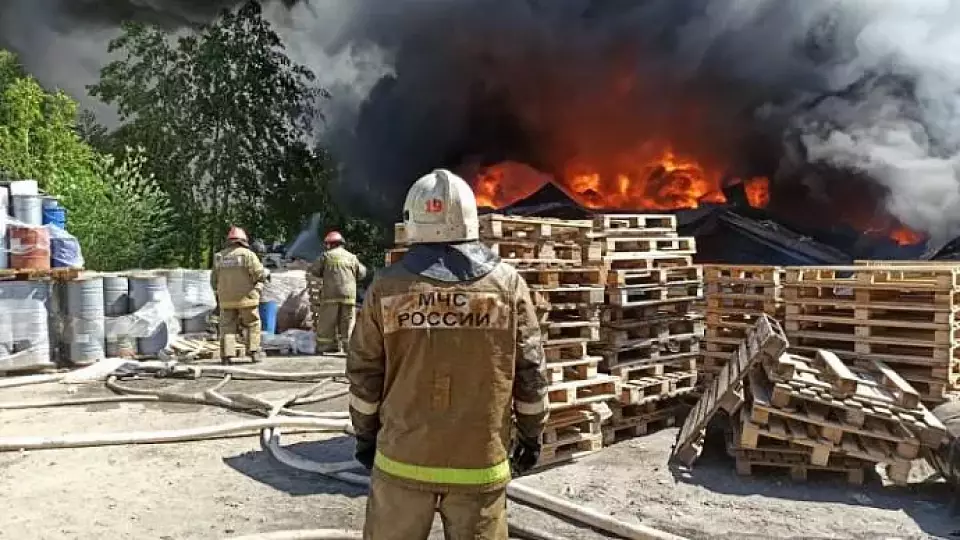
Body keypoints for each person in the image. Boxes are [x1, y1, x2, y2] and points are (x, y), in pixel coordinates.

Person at [347, 169, 549, 540]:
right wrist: (532, 436)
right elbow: (530, 371)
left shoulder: (388, 287)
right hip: (480, 462)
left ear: (412, 222)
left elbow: (364, 374)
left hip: (403, 460)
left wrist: (365, 436)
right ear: (471, 218)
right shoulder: (507, 285)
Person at [211, 226, 269, 363]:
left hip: (226, 300)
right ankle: (254, 352)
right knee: (252, 323)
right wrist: (264, 277)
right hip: (247, 299)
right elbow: (259, 274)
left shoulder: (219, 257)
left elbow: (214, 280)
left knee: (227, 327)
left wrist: (220, 293)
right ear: (243, 240)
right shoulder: (248, 255)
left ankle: (227, 356)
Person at [309, 231, 367, 354]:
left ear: (330, 244)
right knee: (348, 322)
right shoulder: (352, 257)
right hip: (349, 296)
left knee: (327, 322)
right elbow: (362, 273)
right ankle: (349, 348)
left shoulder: (326, 256)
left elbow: (314, 270)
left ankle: (326, 347)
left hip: (331, 295)